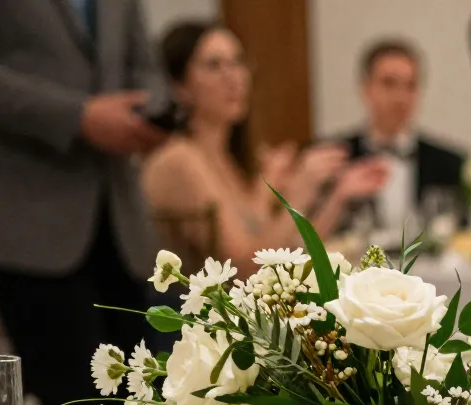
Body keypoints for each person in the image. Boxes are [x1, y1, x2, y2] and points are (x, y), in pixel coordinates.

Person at [0, 0, 162, 405]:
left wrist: (153, 109)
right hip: (34, 224)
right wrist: (79, 116)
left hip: (121, 224)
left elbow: (148, 69)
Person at [142, 23, 386, 275]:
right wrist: (300, 190)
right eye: (214, 65)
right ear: (179, 85)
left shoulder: (225, 157)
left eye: (237, 62)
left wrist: (338, 195)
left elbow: (290, 248)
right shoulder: (179, 159)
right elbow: (248, 267)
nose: (234, 77)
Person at [338, 40, 467, 244]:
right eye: (389, 83)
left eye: (410, 86)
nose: (400, 97)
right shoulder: (338, 159)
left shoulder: (450, 164)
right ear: (366, 89)